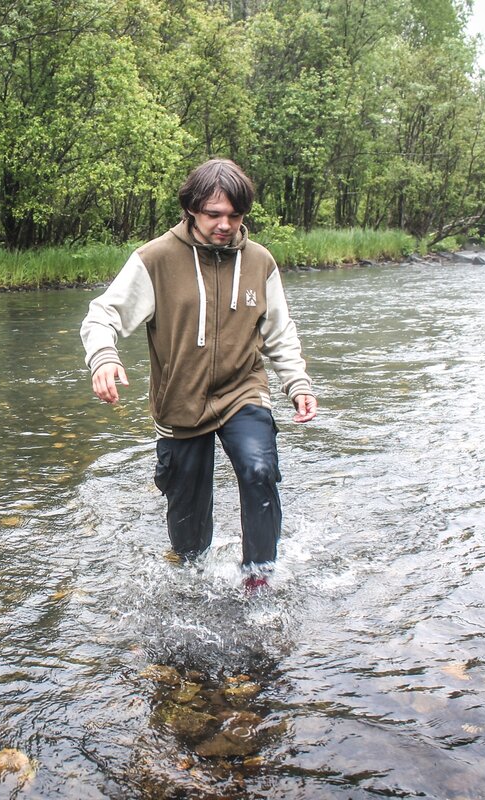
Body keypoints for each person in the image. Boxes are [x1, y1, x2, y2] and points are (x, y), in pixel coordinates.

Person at [80, 158, 317, 592]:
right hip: (180, 402)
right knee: (188, 530)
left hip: (242, 389)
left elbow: (279, 331)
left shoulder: (260, 262)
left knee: (258, 470)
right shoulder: (156, 259)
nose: (225, 224)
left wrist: (296, 382)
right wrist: (104, 358)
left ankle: (258, 577)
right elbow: (102, 315)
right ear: (191, 209)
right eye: (214, 214)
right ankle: (191, 577)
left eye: (235, 215)